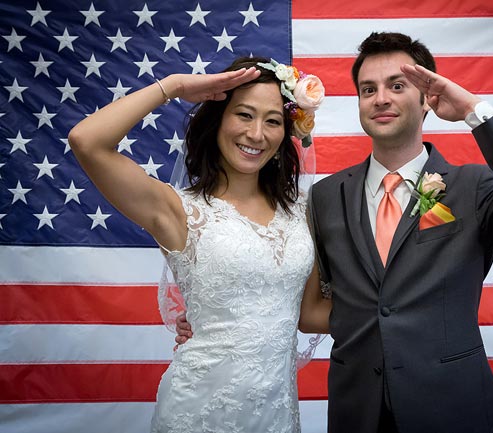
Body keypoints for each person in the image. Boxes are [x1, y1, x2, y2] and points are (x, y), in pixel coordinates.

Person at [176, 32, 493, 433]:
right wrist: (216, 320)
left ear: (426, 99)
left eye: (398, 86)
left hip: (454, 408)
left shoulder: (473, 188)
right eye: (368, 89)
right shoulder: (324, 197)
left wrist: (472, 110)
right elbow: (308, 299)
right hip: (357, 410)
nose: (381, 98)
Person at [69, 56, 330, 433]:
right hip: (198, 410)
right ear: (218, 119)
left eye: (272, 120)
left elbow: (310, 314)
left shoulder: (302, 214)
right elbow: (86, 141)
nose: (257, 134)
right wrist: (173, 86)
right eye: (243, 114)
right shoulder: (177, 209)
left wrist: (393, 310)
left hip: (277, 413)